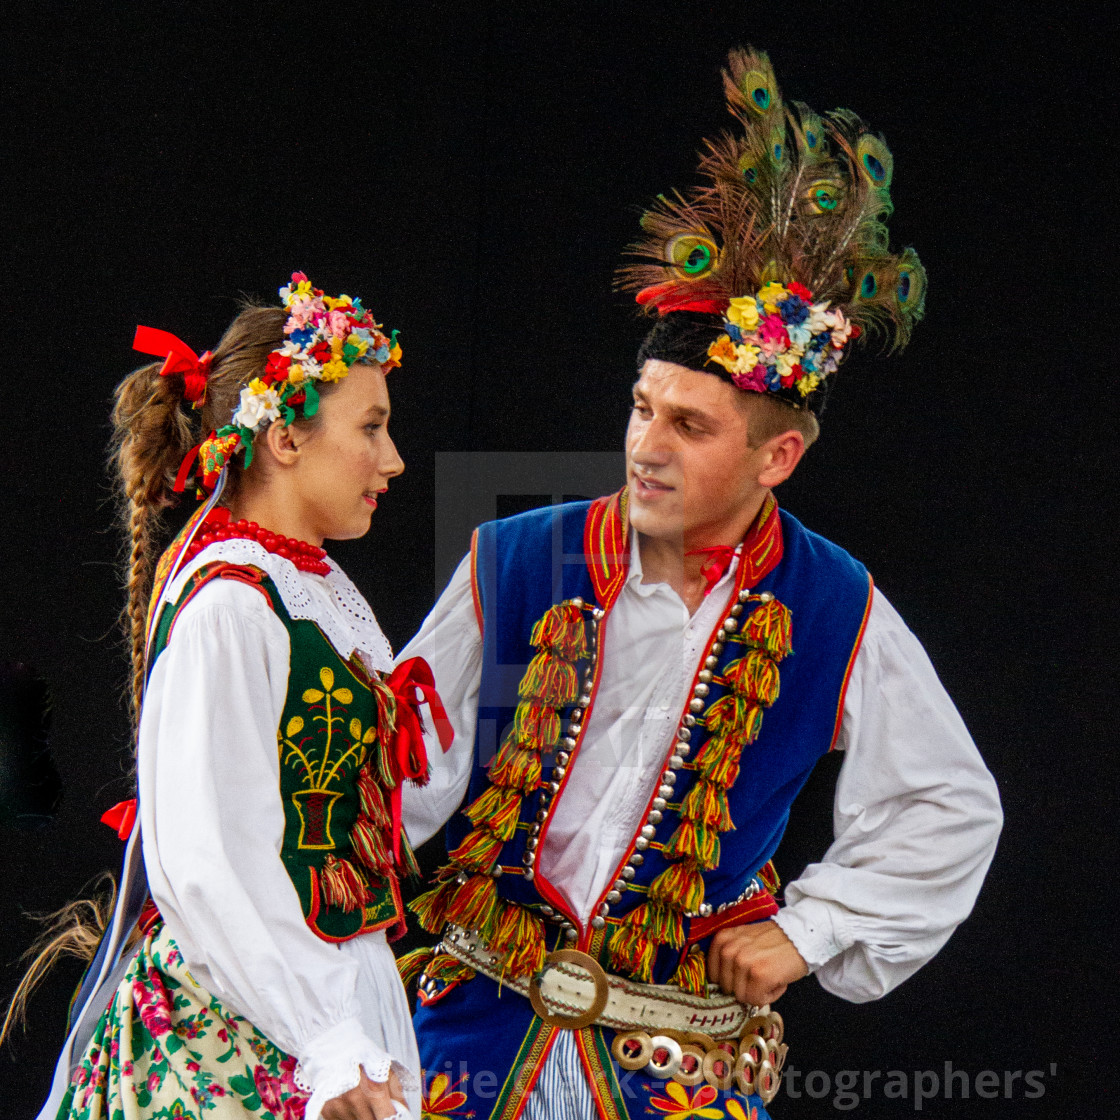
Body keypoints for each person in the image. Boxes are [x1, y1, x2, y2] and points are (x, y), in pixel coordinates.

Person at [395, 49, 1003, 1120]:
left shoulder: (834, 605)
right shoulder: (518, 561)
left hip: (672, 1060)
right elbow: (397, 771)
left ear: (777, 459)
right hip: (474, 1028)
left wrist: (807, 931)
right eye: (642, 406)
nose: (646, 445)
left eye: (689, 424)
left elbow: (949, 804)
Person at [19, 273, 444, 1120]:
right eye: (371, 427)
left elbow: (367, 806)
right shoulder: (230, 606)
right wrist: (326, 1041)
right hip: (239, 1024)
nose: (392, 460)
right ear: (285, 435)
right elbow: (210, 859)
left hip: (330, 989)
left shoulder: (310, 591)